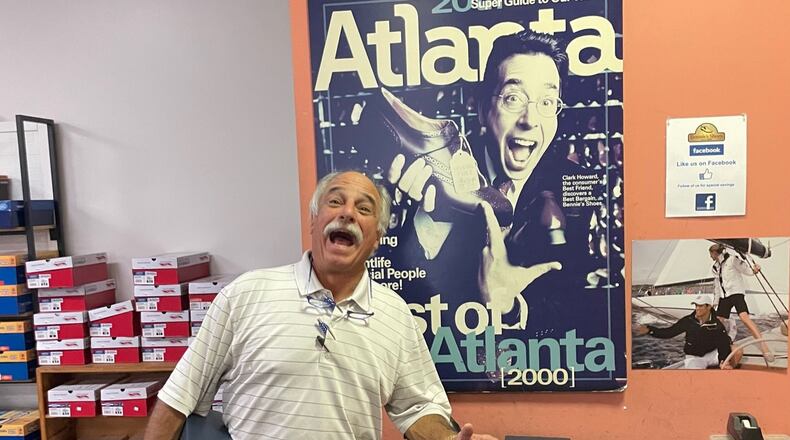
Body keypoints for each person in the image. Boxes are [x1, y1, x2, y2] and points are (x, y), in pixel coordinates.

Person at [143, 171, 497, 440]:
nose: (348, 213)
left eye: (364, 208)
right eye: (335, 201)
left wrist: (446, 439)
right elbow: (179, 397)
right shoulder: (246, 294)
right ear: (314, 220)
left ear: (377, 238)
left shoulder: (395, 315)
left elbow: (419, 407)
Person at [386, 30, 597, 323]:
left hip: (532, 352)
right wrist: (424, 226)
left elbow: (573, 303)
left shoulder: (572, 182)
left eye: (547, 102)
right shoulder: (434, 170)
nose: (530, 120)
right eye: (513, 98)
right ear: (482, 108)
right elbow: (399, 295)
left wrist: (509, 306)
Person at [636, 293, 741, 369]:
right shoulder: (688, 321)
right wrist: (650, 330)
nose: (697, 308)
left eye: (700, 306)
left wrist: (723, 360)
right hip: (695, 358)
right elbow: (669, 332)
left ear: (709, 307)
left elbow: (723, 343)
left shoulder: (717, 324)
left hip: (712, 354)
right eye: (696, 305)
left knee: (737, 351)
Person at [708, 243, 775, 362]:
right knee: (718, 322)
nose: (710, 257)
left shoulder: (732, 260)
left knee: (744, 318)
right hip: (724, 297)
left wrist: (755, 270)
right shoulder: (715, 267)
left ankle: (765, 348)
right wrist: (715, 301)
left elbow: (747, 270)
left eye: (711, 254)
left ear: (715, 252)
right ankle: (717, 346)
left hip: (736, 293)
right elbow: (717, 285)